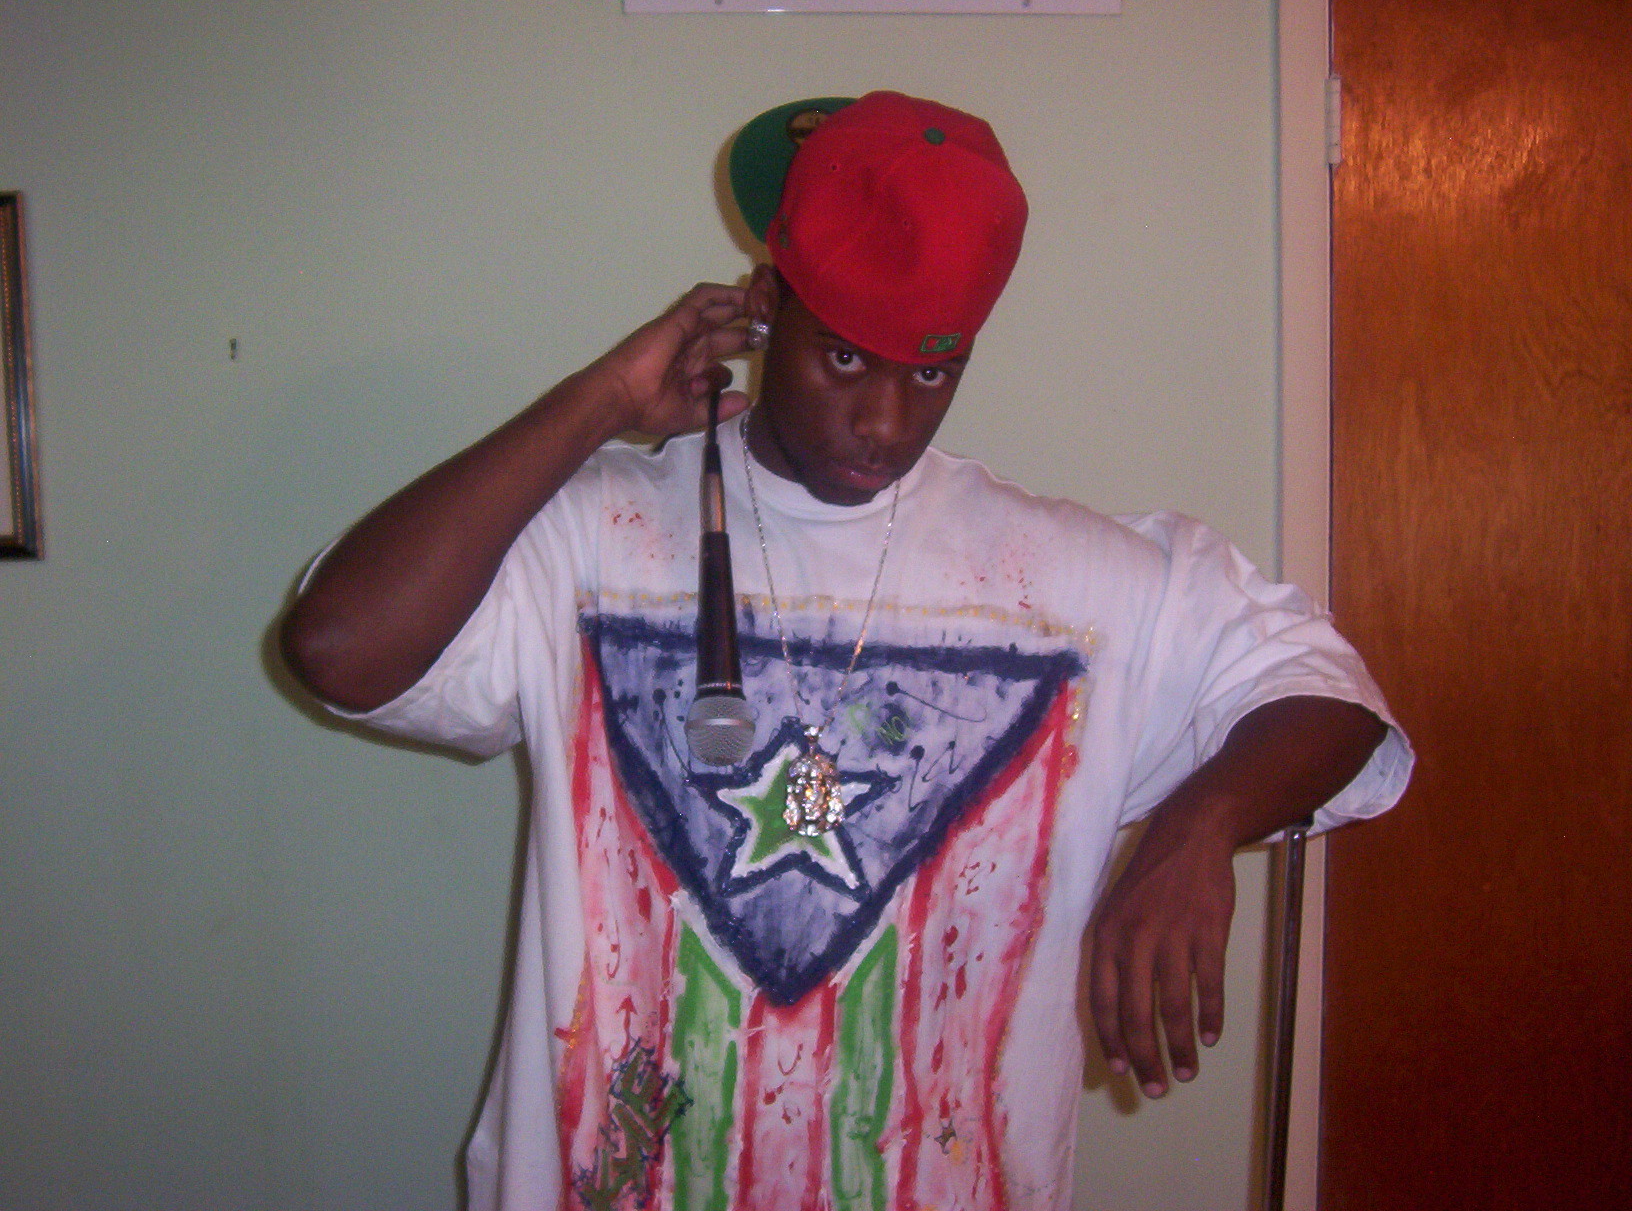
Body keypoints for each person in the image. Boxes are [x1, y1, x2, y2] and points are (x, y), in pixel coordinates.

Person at [281, 92, 1411, 1211]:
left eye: (930, 374)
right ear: (766, 305)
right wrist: (602, 399)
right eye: (844, 360)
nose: (884, 423)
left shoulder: (1078, 583)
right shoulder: (592, 534)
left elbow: (1334, 701)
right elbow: (339, 646)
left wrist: (1196, 826)